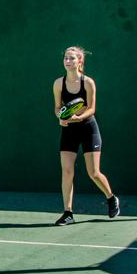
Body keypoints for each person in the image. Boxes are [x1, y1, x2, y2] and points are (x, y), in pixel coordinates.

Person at [52, 46, 119, 225]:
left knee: (94, 173)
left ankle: (111, 198)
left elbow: (91, 108)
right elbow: (57, 107)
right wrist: (60, 117)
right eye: (66, 58)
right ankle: (68, 213)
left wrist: (79, 118)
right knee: (67, 171)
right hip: (69, 130)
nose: (68, 61)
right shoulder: (58, 83)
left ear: (80, 61)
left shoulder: (88, 82)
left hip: (88, 128)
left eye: (72, 58)